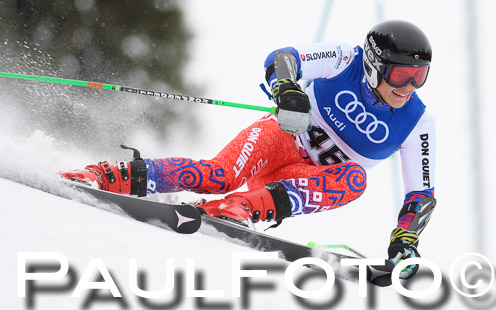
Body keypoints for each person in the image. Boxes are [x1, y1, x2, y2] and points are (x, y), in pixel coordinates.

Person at [61, 19, 437, 283]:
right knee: (219, 175)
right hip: (279, 141)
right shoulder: (346, 58)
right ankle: (110, 176)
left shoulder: (417, 120)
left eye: (419, 77)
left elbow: (420, 194)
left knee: (354, 180)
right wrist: (287, 88)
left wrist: (405, 241)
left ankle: (237, 209)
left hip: (294, 182)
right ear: (374, 64)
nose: (408, 86)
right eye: (401, 74)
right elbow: (284, 58)